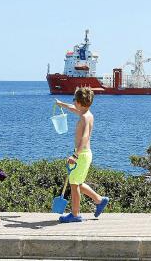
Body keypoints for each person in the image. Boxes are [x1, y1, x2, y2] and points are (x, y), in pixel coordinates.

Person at [55, 87, 109, 222]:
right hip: (85, 154)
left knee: (74, 185)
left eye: (74, 100)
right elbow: (73, 109)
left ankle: (75, 214)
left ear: (79, 102)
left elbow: (85, 137)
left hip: (82, 154)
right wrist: (62, 104)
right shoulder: (87, 114)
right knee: (77, 183)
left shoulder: (84, 118)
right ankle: (99, 200)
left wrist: (75, 155)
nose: (73, 103)